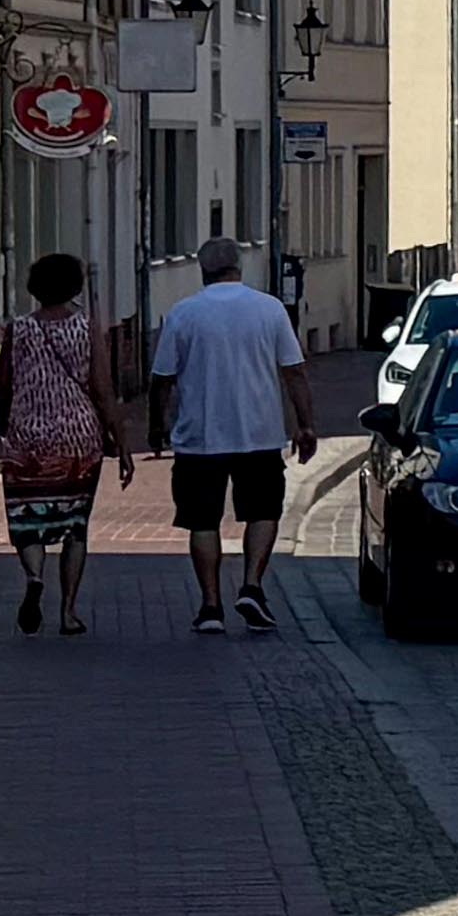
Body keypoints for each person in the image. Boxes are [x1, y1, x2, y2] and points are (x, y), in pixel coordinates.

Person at [144, 234, 317, 633]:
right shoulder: (269, 309)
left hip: (200, 436)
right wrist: (305, 424)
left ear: (202, 269)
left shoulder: (184, 313)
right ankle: (252, 585)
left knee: (202, 520)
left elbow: (162, 379)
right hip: (260, 432)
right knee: (264, 511)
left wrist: (157, 425)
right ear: (240, 266)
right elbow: (294, 372)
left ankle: (210, 606)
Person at [0, 252, 134, 635]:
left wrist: (0, 423)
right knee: (75, 527)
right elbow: (103, 389)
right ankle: (68, 612)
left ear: (35, 287)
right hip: (79, 442)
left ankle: (34, 576)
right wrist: (121, 443)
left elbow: (3, 384)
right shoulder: (86, 327)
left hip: (27, 439)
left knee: (27, 520)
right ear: (75, 286)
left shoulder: (18, 329)